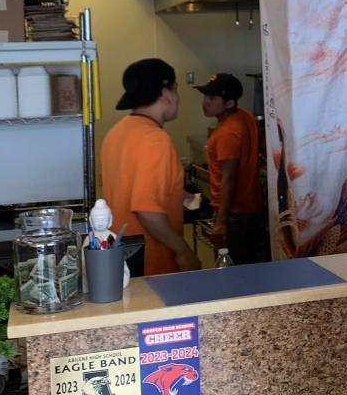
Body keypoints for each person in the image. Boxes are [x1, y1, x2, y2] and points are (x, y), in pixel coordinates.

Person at [100, 59, 201, 277]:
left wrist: (174, 196)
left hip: (124, 258)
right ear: (166, 93)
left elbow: (127, 187)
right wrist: (183, 251)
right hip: (153, 265)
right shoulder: (156, 140)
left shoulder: (116, 133)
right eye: (177, 91)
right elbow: (146, 210)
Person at [197, 73, 264, 265]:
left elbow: (229, 179)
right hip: (252, 210)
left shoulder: (228, 133)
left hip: (235, 215)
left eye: (212, 98)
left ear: (229, 103)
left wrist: (221, 222)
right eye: (205, 96)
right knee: (251, 267)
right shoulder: (245, 117)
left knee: (232, 271)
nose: (205, 102)